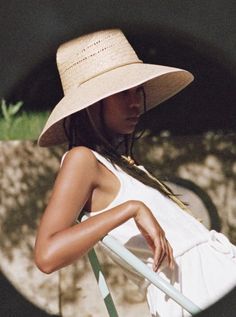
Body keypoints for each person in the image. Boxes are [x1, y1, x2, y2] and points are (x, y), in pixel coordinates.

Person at [34, 29, 236, 316]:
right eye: (122, 93)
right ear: (92, 104)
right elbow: (47, 254)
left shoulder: (123, 163)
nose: (136, 102)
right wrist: (130, 208)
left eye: (137, 90)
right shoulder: (82, 160)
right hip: (192, 293)